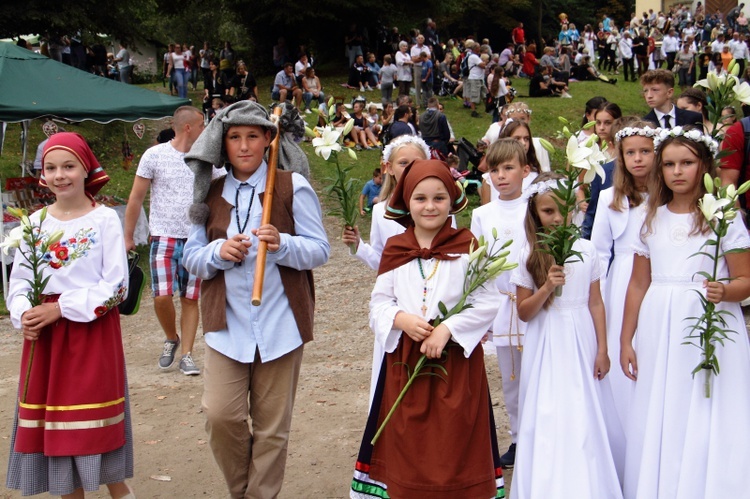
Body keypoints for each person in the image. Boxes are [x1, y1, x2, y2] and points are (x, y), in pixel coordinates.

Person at [182, 101, 330, 498]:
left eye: (253, 136)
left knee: (271, 429)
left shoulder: (291, 186)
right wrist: (218, 253)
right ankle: (242, 491)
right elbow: (191, 258)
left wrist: (282, 245)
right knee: (220, 415)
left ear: (268, 139)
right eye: (234, 137)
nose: (244, 146)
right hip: (226, 327)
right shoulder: (209, 192)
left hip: (281, 325)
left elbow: (319, 250)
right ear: (223, 144)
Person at [350, 159, 505, 499]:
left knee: (453, 439)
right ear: (406, 201)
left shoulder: (467, 247)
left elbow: (487, 301)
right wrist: (401, 319)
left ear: (452, 202)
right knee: (408, 439)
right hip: (406, 364)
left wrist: (447, 328)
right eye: (420, 198)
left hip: (456, 366)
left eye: (439, 198)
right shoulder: (396, 248)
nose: (430, 206)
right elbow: (379, 303)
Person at [620, 127, 750, 498]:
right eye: (669, 164)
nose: (678, 171)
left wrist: (724, 289)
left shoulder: (723, 214)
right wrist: (626, 339)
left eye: (687, 163)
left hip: (709, 320)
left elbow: (746, 278)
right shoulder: (650, 216)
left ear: (704, 165)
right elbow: (637, 284)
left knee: (708, 402)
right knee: (666, 403)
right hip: (660, 324)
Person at [6, 132, 135, 498]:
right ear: (42, 176)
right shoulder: (33, 223)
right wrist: (24, 314)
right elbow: (19, 283)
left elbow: (116, 286)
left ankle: (119, 490)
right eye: (51, 168)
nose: (60, 175)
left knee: (94, 422)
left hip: (89, 333)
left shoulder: (105, 220)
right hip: (45, 339)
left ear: (85, 169)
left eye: (69, 166)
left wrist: (60, 308)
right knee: (57, 431)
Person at [509, 173, 622, 499]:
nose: (558, 218)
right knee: (549, 407)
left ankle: (587, 481)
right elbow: (524, 312)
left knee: (583, 405)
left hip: (581, 337)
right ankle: (548, 481)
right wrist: (546, 286)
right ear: (535, 213)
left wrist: (603, 348)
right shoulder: (529, 255)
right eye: (548, 212)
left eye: (563, 210)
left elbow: (596, 303)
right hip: (547, 341)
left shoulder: (587, 251)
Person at [589, 121, 657, 478]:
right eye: (630, 152)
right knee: (624, 357)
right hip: (621, 283)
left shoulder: (667, 197)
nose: (638, 158)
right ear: (620, 156)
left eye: (645, 151)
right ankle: (625, 449)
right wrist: (595, 297)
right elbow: (599, 252)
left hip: (659, 279)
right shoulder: (609, 198)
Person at [342, 136, 431, 404]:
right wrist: (359, 246)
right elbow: (383, 261)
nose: (410, 168)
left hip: (429, 295)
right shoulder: (381, 211)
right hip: (397, 298)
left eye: (417, 163)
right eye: (404, 163)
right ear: (389, 167)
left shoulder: (439, 207)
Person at [124, 106, 212, 376]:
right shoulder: (155, 155)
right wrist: (127, 236)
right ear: (188, 127)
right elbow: (136, 197)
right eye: (202, 125)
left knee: (190, 299)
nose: (205, 129)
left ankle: (187, 353)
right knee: (162, 296)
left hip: (196, 238)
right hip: (163, 236)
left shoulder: (207, 157)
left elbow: (222, 194)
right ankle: (171, 337)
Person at [470, 138, 530, 469]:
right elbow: (477, 263)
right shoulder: (482, 214)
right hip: (502, 303)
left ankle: (540, 434)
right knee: (510, 377)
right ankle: (519, 437)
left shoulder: (535, 207)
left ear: (525, 170)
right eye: (495, 169)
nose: (502, 176)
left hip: (533, 302)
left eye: (509, 168)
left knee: (538, 371)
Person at [464, 40, 487, 117]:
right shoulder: (473, 57)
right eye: (478, 47)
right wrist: (484, 62)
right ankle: (473, 111)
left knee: (484, 94)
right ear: (475, 48)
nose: (480, 49)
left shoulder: (476, 56)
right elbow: (483, 65)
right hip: (475, 78)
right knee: (474, 95)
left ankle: (488, 108)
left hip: (479, 78)